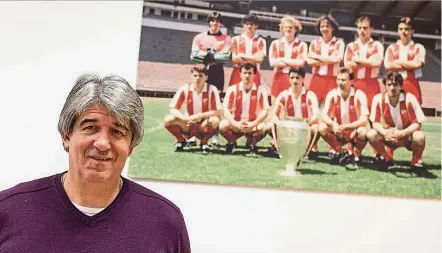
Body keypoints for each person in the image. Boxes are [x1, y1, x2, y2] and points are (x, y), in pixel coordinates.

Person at [0, 74, 191, 252]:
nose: (102, 143)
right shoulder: (9, 210)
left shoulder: (165, 221)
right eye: (91, 127)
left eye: (117, 132)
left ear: (131, 145)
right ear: (66, 135)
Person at [368, 71, 426, 177]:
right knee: (371, 134)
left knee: (420, 136)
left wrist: (402, 133)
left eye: (395, 85)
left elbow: (417, 124)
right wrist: (385, 132)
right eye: (389, 85)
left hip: (406, 136)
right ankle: (385, 158)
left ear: (401, 86)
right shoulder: (378, 99)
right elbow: (375, 123)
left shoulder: (410, 98)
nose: (392, 88)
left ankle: (415, 163)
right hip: (389, 136)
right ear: (385, 86)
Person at [190, 12, 231, 149]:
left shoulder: (226, 39)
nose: (214, 24)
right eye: (212, 21)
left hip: (217, 71)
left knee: (216, 103)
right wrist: (212, 55)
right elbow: (193, 56)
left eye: (217, 21)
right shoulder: (199, 37)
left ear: (221, 24)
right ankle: (192, 135)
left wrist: (207, 55)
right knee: (198, 101)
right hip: (201, 70)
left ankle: (214, 135)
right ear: (209, 23)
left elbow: (226, 57)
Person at [164, 64, 222, 154]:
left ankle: (204, 142)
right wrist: (185, 118)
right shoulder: (184, 88)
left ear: (206, 77)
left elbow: (217, 111)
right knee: (168, 119)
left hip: (203, 124)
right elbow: (173, 109)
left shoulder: (212, 89)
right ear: (191, 76)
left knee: (215, 120)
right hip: (188, 123)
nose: (197, 78)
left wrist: (200, 115)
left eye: (200, 76)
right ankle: (181, 140)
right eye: (195, 75)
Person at [264, 67, 320, 159]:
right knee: (269, 125)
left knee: (318, 128)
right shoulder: (284, 94)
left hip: (304, 129)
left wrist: (306, 124)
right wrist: (281, 124)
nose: (294, 81)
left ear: (303, 79)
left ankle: (307, 150)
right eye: (292, 78)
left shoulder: (310, 95)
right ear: (289, 79)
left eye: (297, 78)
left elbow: (316, 115)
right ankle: (279, 147)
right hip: (288, 129)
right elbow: (274, 114)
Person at [319, 67, 369, 167]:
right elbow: (324, 115)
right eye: (338, 79)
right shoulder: (332, 94)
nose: (340, 83)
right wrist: (333, 125)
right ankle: (341, 152)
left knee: (363, 131)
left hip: (353, 131)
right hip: (338, 131)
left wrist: (348, 127)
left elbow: (364, 119)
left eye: (343, 80)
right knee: (322, 128)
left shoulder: (359, 95)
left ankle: (356, 154)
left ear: (351, 81)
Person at [220, 63, 270, 155]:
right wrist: (235, 123)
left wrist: (253, 123)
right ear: (240, 74)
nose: (247, 76)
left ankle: (252, 144)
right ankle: (231, 143)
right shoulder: (232, 89)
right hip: (236, 124)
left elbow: (265, 110)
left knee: (263, 127)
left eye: (250, 73)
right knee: (222, 125)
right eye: (245, 73)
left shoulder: (261, 90)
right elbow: (226, 109)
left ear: (255, 74)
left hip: (252, 124)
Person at [344, 16, 384, 110]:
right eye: (359, 28)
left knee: (372, 114)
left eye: (365, 28)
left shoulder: (377, 45)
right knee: (354, 112)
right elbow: (348, 65)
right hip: (354, 83)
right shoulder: (351, 46)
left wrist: (357, 60)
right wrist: (368, 61)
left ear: (371, 29)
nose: (362, 30)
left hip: (371, 83)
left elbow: (377, 63)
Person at [384, 17, 426, 105]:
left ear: (412, 31)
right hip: (394, 84)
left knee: (413, 115)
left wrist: (398, 61)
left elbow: (417, 64)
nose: (403, 31)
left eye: (406, 29)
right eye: (401, 29)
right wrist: (409, 65)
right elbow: (388, 65)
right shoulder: (391, 47)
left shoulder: (418, 47)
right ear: (398, 31)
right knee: (393, 113)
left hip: (412, 83)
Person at [268, 15, 307, 104]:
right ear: (282, 29)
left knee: (293, 104)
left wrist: (282, 60)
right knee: (276, 104)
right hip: (279, 76)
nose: (288, 29)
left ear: (296, 29)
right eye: (285, 27)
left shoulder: (302, 45)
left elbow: (301, 63)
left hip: (295, 77)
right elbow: (272, 62)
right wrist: (292, 62)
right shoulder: (275, 43)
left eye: (290, 27)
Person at [307, 15, 345, 107]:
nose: (324, 28)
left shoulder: (339, 43)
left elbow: (337, 59)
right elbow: (309, 61)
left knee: (330, 107)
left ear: (333, 28)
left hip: (332, 78)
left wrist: (317, 57)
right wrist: (329, 59)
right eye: (322, 26)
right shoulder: (314, 43)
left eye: (327, 26)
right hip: (316, 78)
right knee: (312, 106)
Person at [229, 14, 266, 87]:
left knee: (254, 96)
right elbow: (234, 59)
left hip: (254, 72)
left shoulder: (261, 41)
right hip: (238, 71)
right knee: (235, 95)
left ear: (256, 26)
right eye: (247, 24)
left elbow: (259, 59)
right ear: (243, 25)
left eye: (252, 24)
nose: (249, 26)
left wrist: (242, 56)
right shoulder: (235, 39)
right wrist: (252, 58)